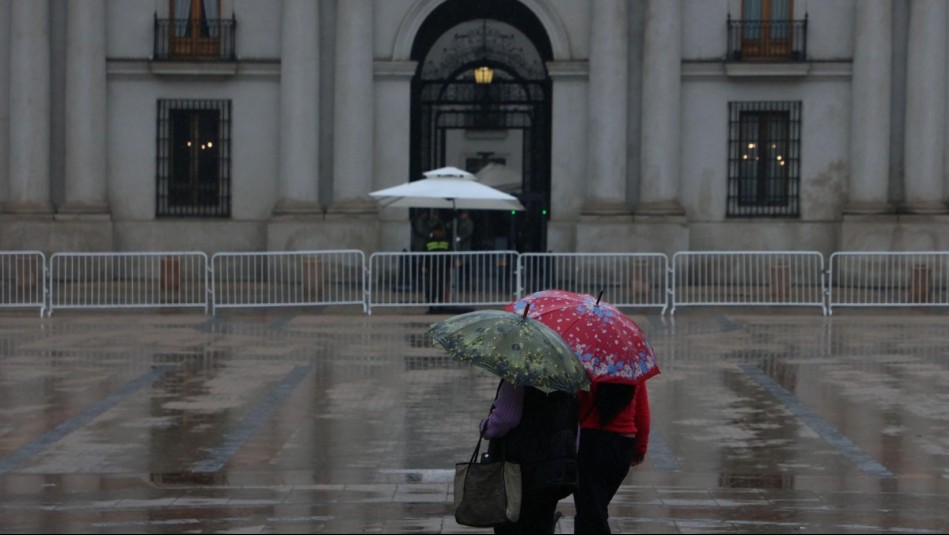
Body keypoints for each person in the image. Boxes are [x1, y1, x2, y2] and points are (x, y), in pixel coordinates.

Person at [481, 380, 580, 534]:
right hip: (554, 469)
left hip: (521, 470)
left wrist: (486, 426)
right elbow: (574, 427)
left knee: (514, 522)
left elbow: (506, 419)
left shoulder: (517, 379)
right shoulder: (567, 383)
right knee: (542, 521)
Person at [573, 382, 650, 534]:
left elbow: (576, 404)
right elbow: (642, 412)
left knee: (592, 510)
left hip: (590, 443)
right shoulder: (631, 369)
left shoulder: (587, 362)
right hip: (623, 445)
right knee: (594, 508)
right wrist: (640, 449)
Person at [423, 222, 451, 312]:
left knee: (441, 287)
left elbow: (451, 254)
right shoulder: (428, 242)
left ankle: (441, 306)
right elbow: (423, 254)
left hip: (443, 269)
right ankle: (431, 306)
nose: (439, 233)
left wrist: (450, 266)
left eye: (440, 231)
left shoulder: (446, 242)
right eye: (437, 231)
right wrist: (423, 266)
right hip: (431, 268)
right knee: (431, 287)